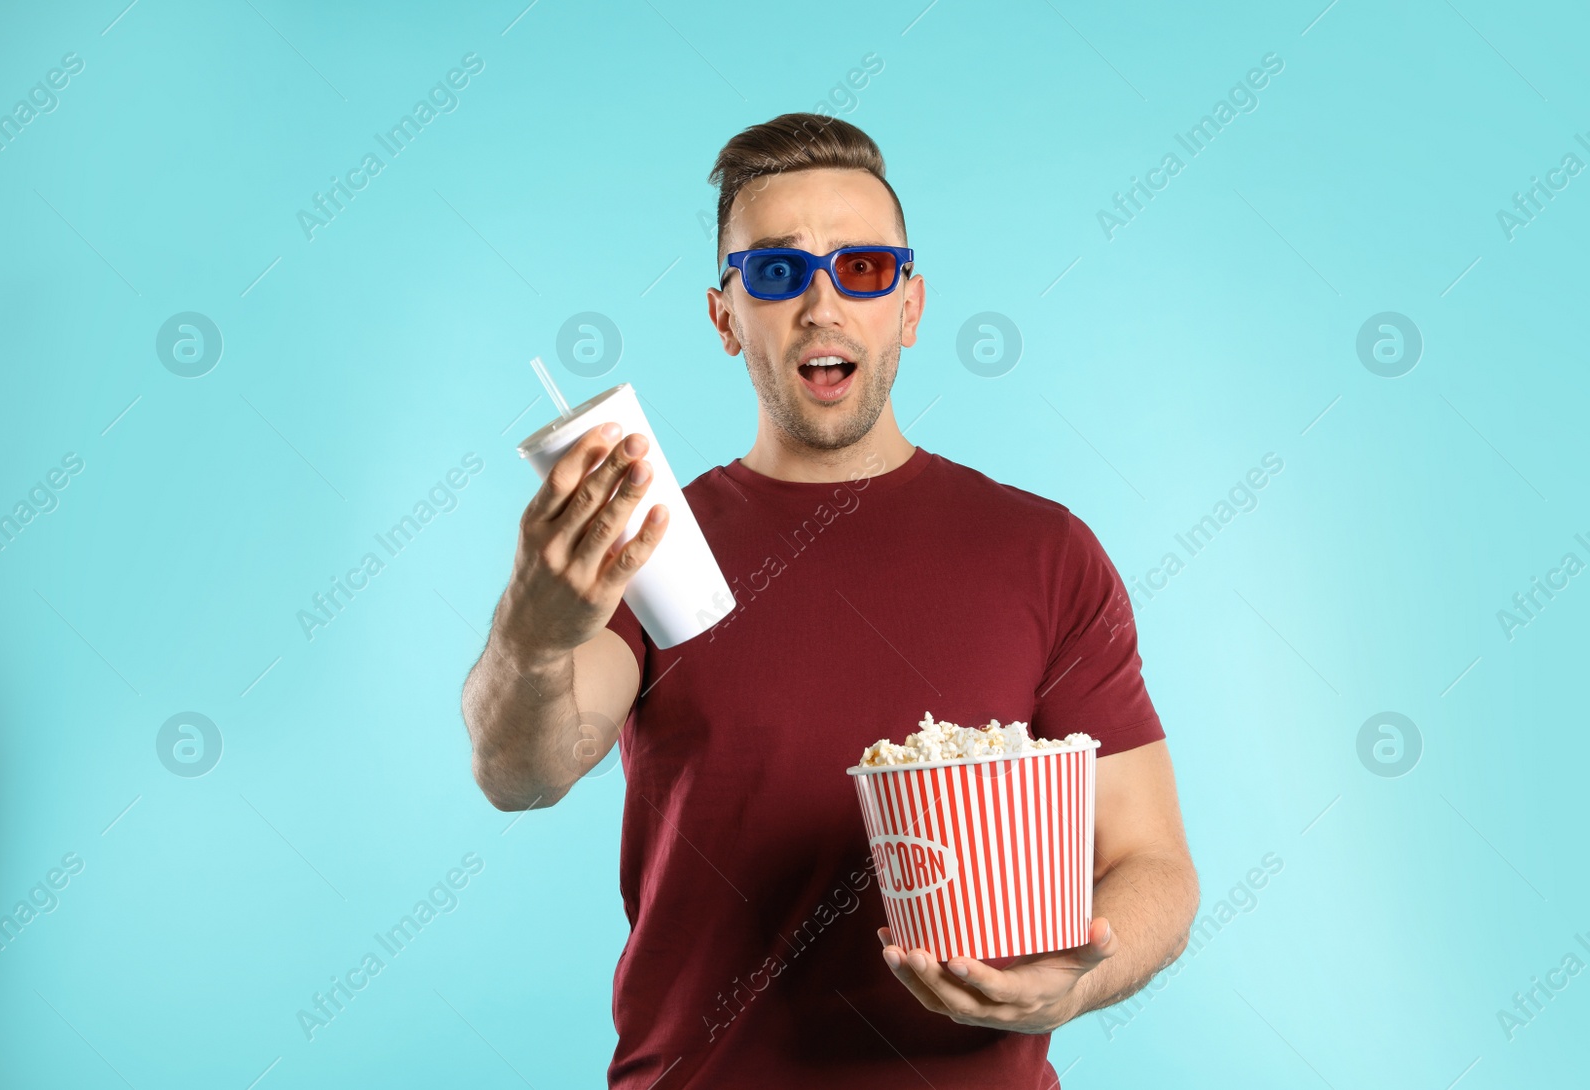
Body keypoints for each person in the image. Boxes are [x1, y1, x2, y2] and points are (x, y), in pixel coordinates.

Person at [461, 112, 1200, 1089]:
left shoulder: (1041, 552)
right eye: (774, 273)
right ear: (725, 317)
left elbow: (1153, 862)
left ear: (910, 305)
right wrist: (532, 629)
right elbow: (523, 770)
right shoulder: (652, 548)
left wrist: (1072, 982)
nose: (820, 303)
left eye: (861, 270)